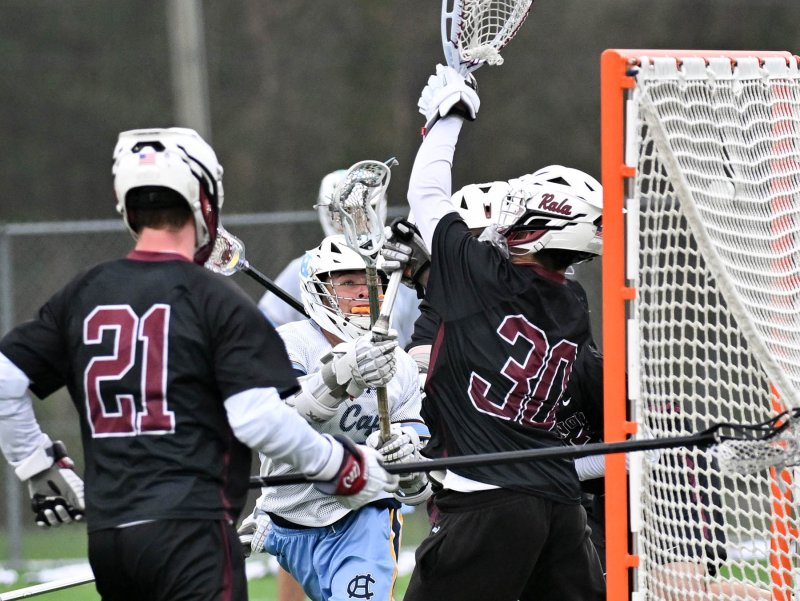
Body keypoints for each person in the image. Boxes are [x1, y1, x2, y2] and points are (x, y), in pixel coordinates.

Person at [0, 127, 399, 601]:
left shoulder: (84, 292)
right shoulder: (217, 302)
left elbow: (5, 381)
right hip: (193, 531)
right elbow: (259, 418)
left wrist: (37, 465)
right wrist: (344, 465)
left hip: (111, 537)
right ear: (205, 201)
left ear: (126, 206)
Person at [398, 64, 606, 601]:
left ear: (540, 228)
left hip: (488, 501)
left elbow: (425, 193)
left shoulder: (482, 276)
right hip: (560, 505)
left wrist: (450, 117)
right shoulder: (572, 301)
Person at [239, 234, 431, 601]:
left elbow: (417, 489)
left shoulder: (401, 365)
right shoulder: (289, 342)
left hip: (362, 518)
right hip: (290, 518)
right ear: (319, 290)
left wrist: (405, 459)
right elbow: (276, 426)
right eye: (347, 282)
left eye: (368, 281)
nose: (362, 291)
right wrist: (342, 376)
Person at [257, 168, 421, 349]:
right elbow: (265, 326)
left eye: (362, 213)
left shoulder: (399, 269)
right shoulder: (305, 267)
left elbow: (423, 335)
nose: (351, 222)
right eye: (341, 214)